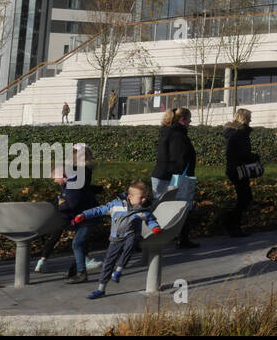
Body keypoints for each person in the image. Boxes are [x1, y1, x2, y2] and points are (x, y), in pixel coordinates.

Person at [74, 181, 161, 299]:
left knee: (131, 242)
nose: (144, 200)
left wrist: (155, 228)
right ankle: (101, 289)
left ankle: (118, 270)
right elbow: (99, 210)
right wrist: (84, 215)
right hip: (115, 238)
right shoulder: (116, 205)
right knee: (108, 263)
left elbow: (150, 220)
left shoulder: (143, 210)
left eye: (146, 197)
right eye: (141, 197)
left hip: (131, 235)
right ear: (130, 197)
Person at [33, 149, 102, 282]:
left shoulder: (71, 185)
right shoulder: (71, 182)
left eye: (54, 177)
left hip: (86, 218)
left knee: (77, 244)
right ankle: (78, 269)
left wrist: (60, 211)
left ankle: (81, 272)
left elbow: (72, 203)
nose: (54, 181)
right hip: (83, 217)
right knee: (78, 243)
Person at [151, 107, 198, 248]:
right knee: (181, 207)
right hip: (172, 177)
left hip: (163, 175)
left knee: (158, 206)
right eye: (189, 119)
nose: (190, 122)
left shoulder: (169, 131)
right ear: (182, 119)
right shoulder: (177, 134)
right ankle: (182, 238)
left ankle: (147, 237)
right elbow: (178, 157)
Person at [223, 108, 259, 237]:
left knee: (244, 197)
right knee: (245, 198)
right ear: (244, 118)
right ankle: (232, 224)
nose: (250, 120)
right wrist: (254, 157)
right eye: (249, 118)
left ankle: (232, 224)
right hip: (239, 170)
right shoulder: (240, 133)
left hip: (234, 169)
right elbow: (242, 154)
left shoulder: (232, 132)